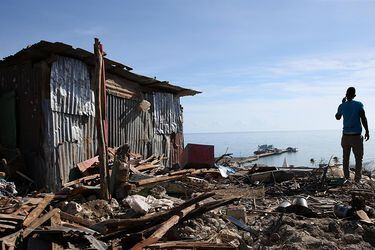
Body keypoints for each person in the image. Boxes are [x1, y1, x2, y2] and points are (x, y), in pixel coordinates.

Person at [335, 87, 370, 183]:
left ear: (346, 94)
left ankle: (346, 178)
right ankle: (357, 180)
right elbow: (363, 118)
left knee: (345, 158)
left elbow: (337, 117)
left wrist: (342, 105)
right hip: (356, 136)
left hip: (345, 136)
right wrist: (367, 131)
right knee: (358, 159)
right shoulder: (359, 105)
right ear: (354, 95)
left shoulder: (342, 106)